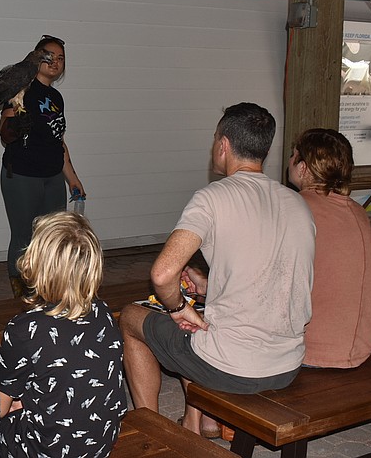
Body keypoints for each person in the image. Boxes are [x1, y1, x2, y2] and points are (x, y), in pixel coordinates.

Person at [119, 102, 315, 437]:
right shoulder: (297, 203)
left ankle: (151, 429)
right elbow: (277, 280)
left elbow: (162, 274)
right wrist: (208, 286)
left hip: (231, 367)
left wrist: (178, 307)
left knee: (131, 317)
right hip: (287, 365)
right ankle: (204, 421)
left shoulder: (212, 197)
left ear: (223, 145)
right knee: (197, 323)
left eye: (214, 139)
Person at [0, 211, 126, 458]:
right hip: (101, 443)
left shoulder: (24, 329)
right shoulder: (104, 313)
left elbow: (0, 408)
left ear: (35, 263)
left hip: (48, 450)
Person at [287, 128, 371, 367]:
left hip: (314, 349)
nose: (288, 162)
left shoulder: (295, 207)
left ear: (303, 168)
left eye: (293, 156)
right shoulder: (357, 210)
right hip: (363, 343)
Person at [0, 34, 84, 297]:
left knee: (55, 235)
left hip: (53, 176)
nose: (55, 62)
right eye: (49, 56)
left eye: (61, 58)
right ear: (36, 58)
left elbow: (58, 141)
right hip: (22, 175)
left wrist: (72, 178)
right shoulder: (21, 88)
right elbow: (4, 133)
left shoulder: (56, 97)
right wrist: (15, 120)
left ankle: (50, 288)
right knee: (23, 236)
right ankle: (22, 293)